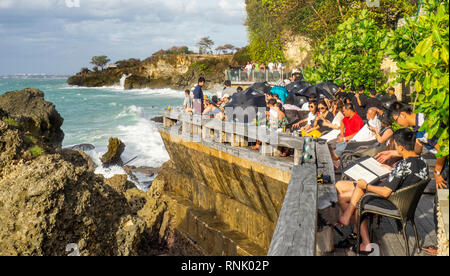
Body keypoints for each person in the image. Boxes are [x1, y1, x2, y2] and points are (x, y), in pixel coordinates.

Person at [334, 128, 429, 254]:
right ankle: (352, 226)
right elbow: (408, 176)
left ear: (400, 148)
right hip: (406, 201)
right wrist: (391, 170)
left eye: (395, 146)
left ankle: (365, 243)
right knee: (347, 195)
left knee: (358, 193)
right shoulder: (422, 162)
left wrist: (366, 185)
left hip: (394, 203)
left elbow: (385, 192)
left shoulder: (403, 165)